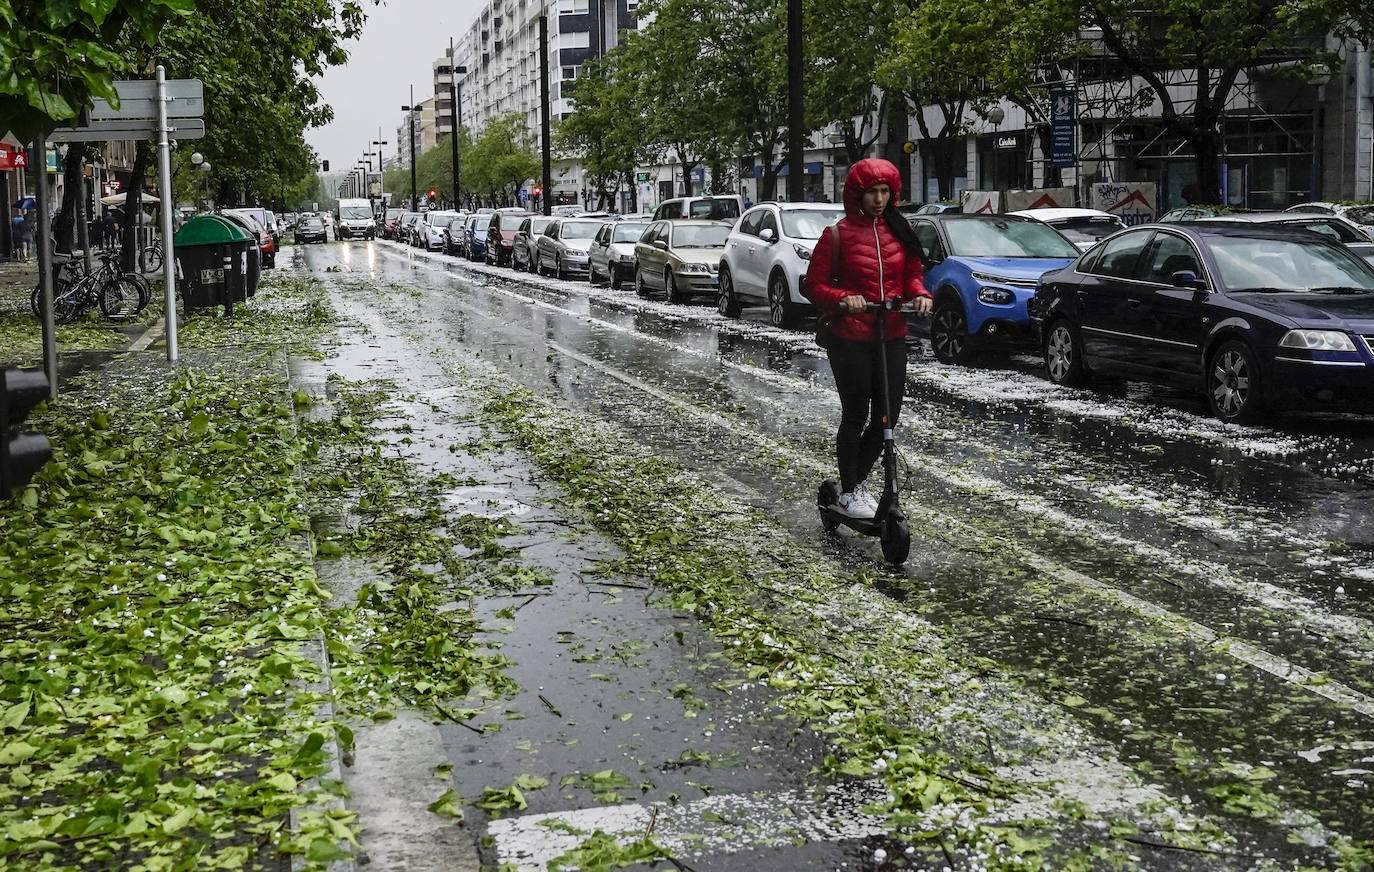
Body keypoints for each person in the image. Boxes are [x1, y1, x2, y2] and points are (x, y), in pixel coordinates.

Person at [803, 158, 932, 519]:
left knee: (887, 417)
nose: (878, 199)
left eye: (884, 192)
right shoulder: (837, 235)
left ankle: (853, 483)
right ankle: (850, 492)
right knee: (856, 413)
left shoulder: (899, 232)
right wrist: (842, 299)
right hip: (850, 337)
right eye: (872, 192)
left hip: (890, 334)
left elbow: (912, 276)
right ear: (857, 194)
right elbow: (814, 285)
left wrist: (920, 295)